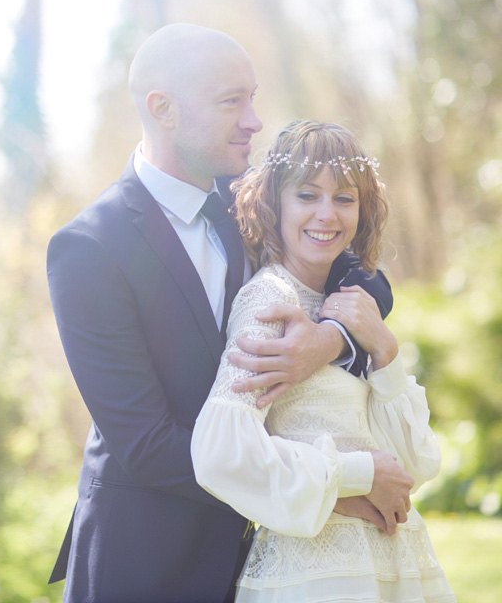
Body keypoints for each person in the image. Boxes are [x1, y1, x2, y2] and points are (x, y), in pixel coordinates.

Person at [46, 23, 398, 602]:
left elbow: (366, 278)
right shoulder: (88, 248)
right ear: (164, 109)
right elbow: (146, 444)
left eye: (253, 98)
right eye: (232, 101)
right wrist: (327, 489)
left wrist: (329, 338)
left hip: (261, 562)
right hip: (146, 562)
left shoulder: (250, 200)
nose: (254, 121)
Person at [191, 119, 456, 601]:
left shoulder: (356, 305)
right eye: (308, 195)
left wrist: (385, 349)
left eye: (344, 198)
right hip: (316, 575)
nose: (326, 215)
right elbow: (219, 452)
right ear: (275, 203)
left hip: (398, 567)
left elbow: (416, 463)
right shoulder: (267, 303)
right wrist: (356, 476)